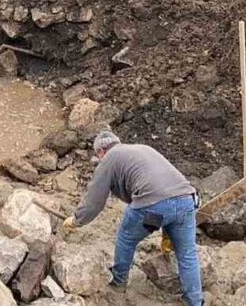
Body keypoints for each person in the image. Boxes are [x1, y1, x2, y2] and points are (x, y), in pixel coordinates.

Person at [62, 129, 203, 306]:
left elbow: (94, 199)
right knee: (187, 253)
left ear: (100, 151)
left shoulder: (109, 158)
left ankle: (119, 281)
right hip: (187, 200)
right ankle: (195, 301)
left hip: (152, 204)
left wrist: (77, 219)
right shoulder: (141, 149)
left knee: (126, 238)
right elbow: (166, 188)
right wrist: (169, 230)